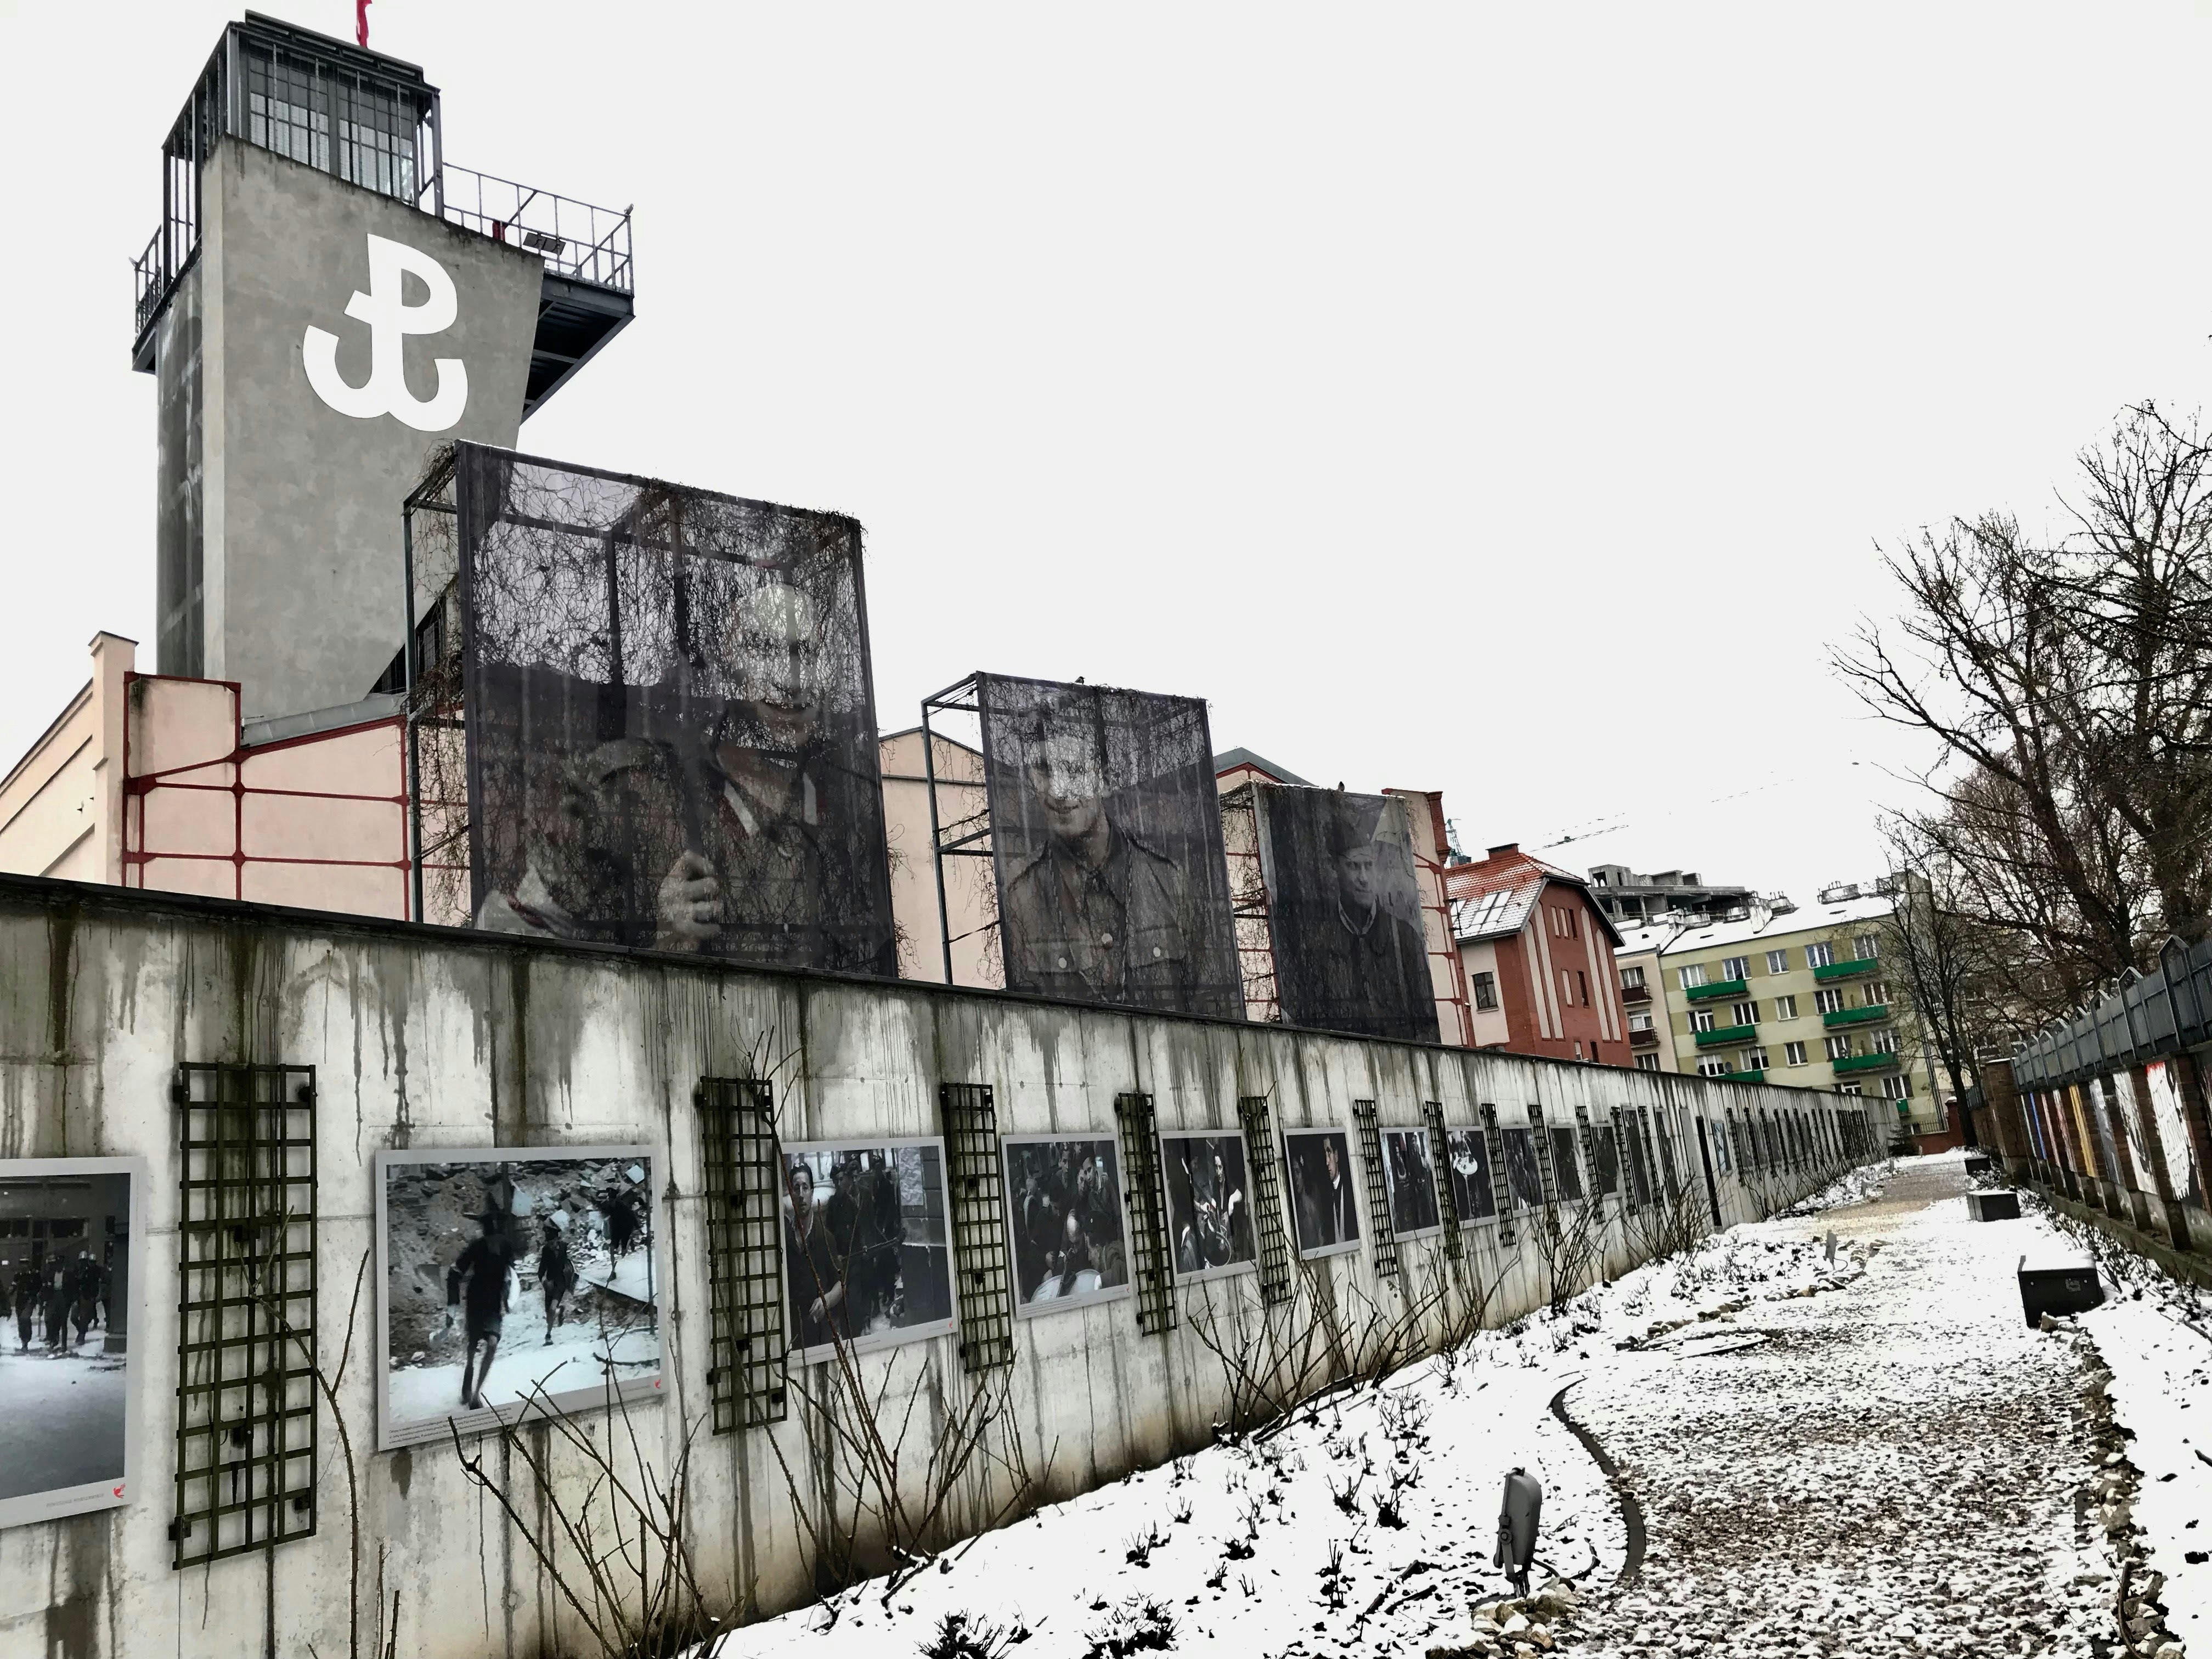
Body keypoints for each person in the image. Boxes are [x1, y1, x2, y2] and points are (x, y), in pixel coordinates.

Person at [473, 579, 893, 978]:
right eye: (765, 649)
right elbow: (509, 960)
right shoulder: (628, 790)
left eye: (807, 652)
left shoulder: (845, 810)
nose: (791, 678)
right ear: (732, 667)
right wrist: (663, 948)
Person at [997, 701, 1222, 1015]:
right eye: (1045, 770)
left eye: (1074, 769)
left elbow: (1209, 1006)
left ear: (1104, 779)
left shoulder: (1170, 882)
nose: (1060, 791)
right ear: (1031, 776)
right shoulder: (1018, 893)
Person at [1280, 793, 1437, 1042]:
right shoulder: (1312, 940)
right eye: (1354, 867)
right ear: (1335, 870)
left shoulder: (1405, 937)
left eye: (1368, 866)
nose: (1364, 878)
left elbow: (1425, 1013)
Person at [444, 1209, 518, 1410]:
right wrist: (452, 1307)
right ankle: (468, 1370)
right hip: (476, 1302)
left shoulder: (506, 1248)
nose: (496, 1241)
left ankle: (477, 1394)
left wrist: (508, 1298)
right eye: (492, 1236)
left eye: (498, 1236)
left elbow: (511, 1274)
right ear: (486, 1235)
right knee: (473, 1344)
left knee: (493, 1343)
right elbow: (455, 1273)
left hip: (493, 1305)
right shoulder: (475, 1249)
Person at [785, 1162, 846, 1353]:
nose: (801, 1194)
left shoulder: (824, 1237)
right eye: (796, 1189)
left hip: (820, 1333)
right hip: (792, 1332)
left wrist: (827, 1299)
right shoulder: (784, 1236)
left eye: (805, 1188)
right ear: (791, 1194)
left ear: (812, 1192)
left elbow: (841, 1284)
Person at [538, 1215, 577, 1342]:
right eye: (550, 1243)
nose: (552, 1244)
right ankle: (559, 1311)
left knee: (551, 1309)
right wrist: (545, 1282)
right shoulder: (545, 1251)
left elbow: (570, 1265)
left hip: (560, 1283)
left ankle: (548, 1336)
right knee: (549, 1312)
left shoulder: (564, 1248)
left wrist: (570, 1282)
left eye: (553, 1242)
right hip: (550, 1283)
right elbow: (541, 1271)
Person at [12, 1260, 43, 1353]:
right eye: (22, 1264)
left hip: (30, 1301)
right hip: (20, 1301)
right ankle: (24, 1343)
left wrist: (31, 1294)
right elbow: (14, 1286)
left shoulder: (34, 1275)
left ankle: (26, 1341)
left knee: (25, 1319)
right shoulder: (18, 1275)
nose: (24, 1266)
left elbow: (39, 1288)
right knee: (21, 1322)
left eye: (26, 1264)